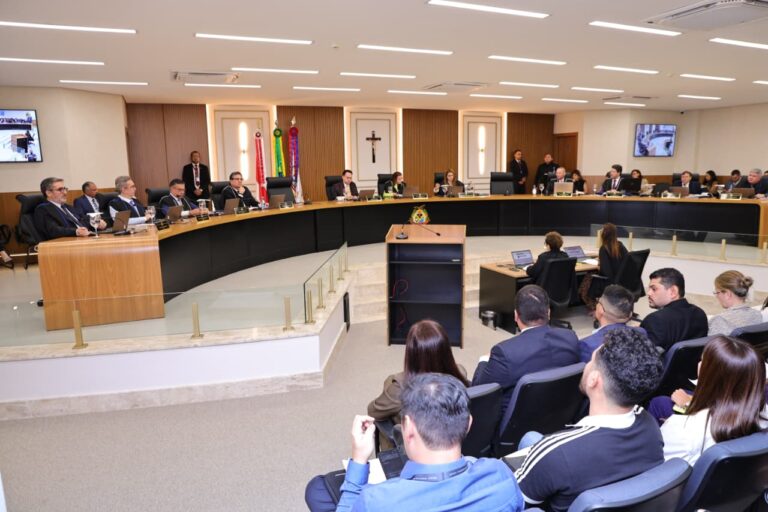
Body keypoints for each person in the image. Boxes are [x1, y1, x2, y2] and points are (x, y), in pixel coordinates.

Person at [305, 373, 525, 512]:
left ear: (408, 428)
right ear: (468, 424)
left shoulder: (377, 501)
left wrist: (359, 460)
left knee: (317, 489)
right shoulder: (501, 476)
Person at [514, 327, 664, 512]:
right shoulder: (651, 426)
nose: (587, 365)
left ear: (594, 379)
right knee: (531, 439)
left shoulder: (556, 454)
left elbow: (514, 500)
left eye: (591, 361)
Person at [472, 284, 579, 416]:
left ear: (516, 316)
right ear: (549, 312)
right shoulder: (570, 338)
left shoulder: (505, 353)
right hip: (560, 416)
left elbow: (479, 392)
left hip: (517, 425)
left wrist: (484, 360)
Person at [660, 336, 767, 465]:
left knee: (659, 403)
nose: (699, 364)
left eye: (702, 361)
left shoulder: (682, 429)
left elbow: (659, 469)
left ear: (709, 375)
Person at [367, 320, 469, 446]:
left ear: (411, 353)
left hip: (416, 450)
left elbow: (373, 411)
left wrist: (389, 386)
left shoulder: (400, 387)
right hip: (453, 443)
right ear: (446, 350)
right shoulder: (461, 373)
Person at [640, 268, 708, 351]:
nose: (649, 293)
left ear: (673, 291)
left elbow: (641, 355)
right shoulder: (700, 313)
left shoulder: (655, 320)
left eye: (654, 289)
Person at [579, 285, 646, 362]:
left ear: (601, 309)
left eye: (598, 302)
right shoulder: (641, 332)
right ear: (630, 314)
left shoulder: (587, 345)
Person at [34, 177, 105, 240]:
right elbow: (53, 230)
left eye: (65, 189)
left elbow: (82, 219)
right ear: (49, 193)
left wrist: (96, 222)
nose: (65, 193)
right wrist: (76, 231)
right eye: (60, 190)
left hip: (84, 239)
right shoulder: (43, 209)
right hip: (64, 243)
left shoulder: (67, 207)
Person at [579, 223, 628, 310]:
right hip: (621, 280)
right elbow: (627, 261)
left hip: (608, 282)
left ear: (603, 235)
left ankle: (594, 307)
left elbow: (605, 271)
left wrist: (599, 266)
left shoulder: (604, 248)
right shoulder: (620, 245)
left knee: (588, 277)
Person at [708, 270, 762, 336]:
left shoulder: (720, 320)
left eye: (717, 292)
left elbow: (710, 343)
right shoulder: (757, 315)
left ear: (727, 294)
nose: (716, 296)